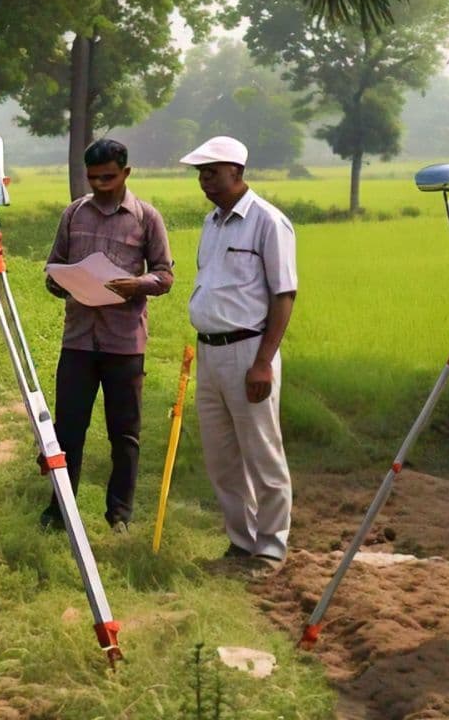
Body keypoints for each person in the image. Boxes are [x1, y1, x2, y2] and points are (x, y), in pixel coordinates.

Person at [39, 138, 173, 533]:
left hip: (124, 342)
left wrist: (137, 284)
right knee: (68, 431)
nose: (100, 185)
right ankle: (60, 511)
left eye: (109, 177)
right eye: (93, 178)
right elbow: (54, 265)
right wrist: (61, 281)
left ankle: (119, 515)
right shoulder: (73, 214)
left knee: (124, 433)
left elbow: (165, 275)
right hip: (78, 340)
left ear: (126, 173)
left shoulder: (146, 218)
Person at [180, 136, 297, 577]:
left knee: (261, 452)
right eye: (201, 174)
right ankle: (241, 541)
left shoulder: (268, 222)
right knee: (222, 456)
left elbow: (284, 295)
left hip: (249, 351)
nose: (205, 181)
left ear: (237, 171)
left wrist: (264, 361)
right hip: (210, 352)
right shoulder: (211, 223)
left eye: (212, 173)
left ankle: (270, 547)